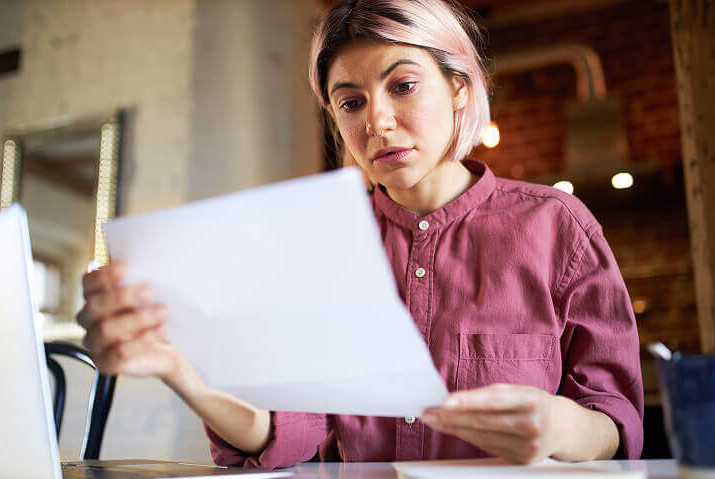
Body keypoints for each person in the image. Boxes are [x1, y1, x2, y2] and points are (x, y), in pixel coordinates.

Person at [77, 0, 643, 469]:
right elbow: (289, 432)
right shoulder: (321, 248)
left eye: (403, 86)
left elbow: (616, 425)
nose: (376, 121)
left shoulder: (556, 226)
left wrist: (559, 425)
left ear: (460, 89)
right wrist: (182, 372)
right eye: (350, 102)